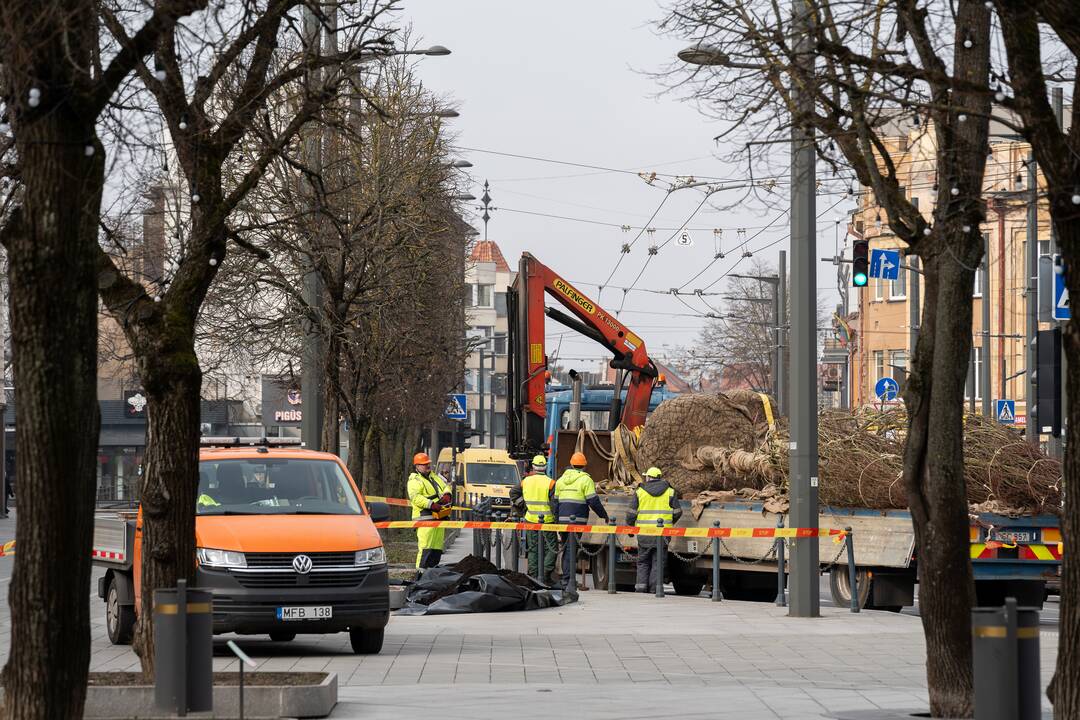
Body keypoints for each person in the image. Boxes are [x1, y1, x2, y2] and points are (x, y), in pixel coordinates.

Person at [554, 451, 608, 591]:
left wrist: (556, 522)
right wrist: (604, 515)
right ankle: (569, 581)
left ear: (571, 464)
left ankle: (567, 579)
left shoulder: (560, 480)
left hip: (563, 521)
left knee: (567, 550)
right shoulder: (586, 480)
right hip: (577, 521)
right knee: (572, 551)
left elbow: (555, 503)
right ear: (584, 466)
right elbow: (593, 501)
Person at [627, 466, 682, 593]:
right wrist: (670, 522)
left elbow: (631, 513)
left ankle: (641, 587)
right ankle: (654, 589)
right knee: (658, 562)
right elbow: (678, 512)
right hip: (662, 534)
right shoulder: (670, 492)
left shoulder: (640, 491)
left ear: (648, 477)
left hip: (644, 533)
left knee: (643, 561)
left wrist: (630, 527)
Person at [510, 454, 558, 583]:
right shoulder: (551, 483)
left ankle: (533, 575)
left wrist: (523, 505)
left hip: (530, 519)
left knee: (532, 548)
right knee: (551, 549)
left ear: (533, 467)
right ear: (545, 467)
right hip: (547, 521)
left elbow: (513, 493)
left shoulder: (526, 481)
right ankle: (545, 573)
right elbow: (554, 504)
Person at [407, 452, 452, 573]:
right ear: (417, 466)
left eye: (428, 463)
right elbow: (415, 498)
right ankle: (420, 575)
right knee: (425, 548)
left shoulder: (434, 476)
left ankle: (432, 573)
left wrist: (447, 494)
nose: (427, 466)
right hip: (425, 519)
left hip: (438, 518)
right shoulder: (414, 481)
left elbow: (445, 486)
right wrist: (432, 505)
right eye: (424, 464)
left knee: (436, 549)